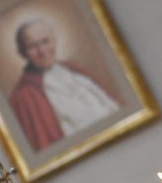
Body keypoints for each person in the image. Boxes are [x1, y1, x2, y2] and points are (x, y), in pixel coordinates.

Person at [9, 19, 121, 152]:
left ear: (54, 40)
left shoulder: (74, 69)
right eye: (33, 46)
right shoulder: (24, 97)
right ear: (22, 52)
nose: (43, 51)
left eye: (46, 41)